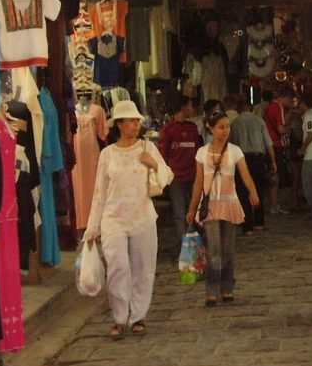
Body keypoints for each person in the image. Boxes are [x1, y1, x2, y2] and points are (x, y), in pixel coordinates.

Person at [84, 100, 173, 339]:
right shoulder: (107, 154)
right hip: (113, 219)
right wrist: (92, 228)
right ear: (120, 124)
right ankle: (119, 317)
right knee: (117, 268)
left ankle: (138, 316)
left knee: (143, 269)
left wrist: (153, 164)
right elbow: (99, 192)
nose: (135, 125)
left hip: (142, 217)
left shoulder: (148, 148)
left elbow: (167, 176)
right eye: (131, 121)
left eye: (137, 121)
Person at [186, 111, 259, 306]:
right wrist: (192, 208)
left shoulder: (235, 151)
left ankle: (227, 287)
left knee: (228, 249)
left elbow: (245, 174)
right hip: (209, 205)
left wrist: (253, 192)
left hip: (229, 203)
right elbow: (198, 182)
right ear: (210, 128)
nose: (225, 130)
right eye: (220, 127)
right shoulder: (202, 152)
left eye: (227, 126)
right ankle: (211, 289)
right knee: (214, 248)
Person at [158, 94, 202, 248]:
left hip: (193, 177)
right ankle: (184, 248)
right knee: (179, 214)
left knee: (194, 211)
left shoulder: (193, 128)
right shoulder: (168, 130)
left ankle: (195, 245)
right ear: (183, 107)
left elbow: (198, 152)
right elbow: (164, 155)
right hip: (176, 179)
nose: (192, 109)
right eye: (190, 105)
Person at [230, 96, 276, 234]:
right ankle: (259, 222)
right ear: (250, 108)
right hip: (257, 159)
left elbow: (231, 144)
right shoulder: (259, 121)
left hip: (241, 159)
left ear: (239, 108)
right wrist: (273, 161)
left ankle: (247, 226)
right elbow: (268, 143)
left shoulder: (234, 123)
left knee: (243, 192)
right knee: (258, 189)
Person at [263, 85, 296, 215]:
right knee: (275, 174)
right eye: (290, 100)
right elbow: (281, 129)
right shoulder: (278, 107)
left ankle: (274, 203)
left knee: (273, 174)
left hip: (268, 143)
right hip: (275, 144)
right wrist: (290, 130)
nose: (290, 103)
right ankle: (274, 204)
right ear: (286, 97)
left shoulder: (270, 106)